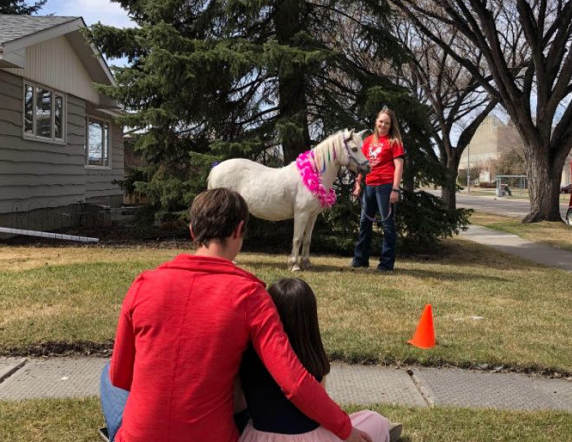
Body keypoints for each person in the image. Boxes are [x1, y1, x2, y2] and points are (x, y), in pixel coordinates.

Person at [99, 188, 373, 442]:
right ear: (240, 230)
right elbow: (293, 382)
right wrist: (346, 430)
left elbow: (122, 376)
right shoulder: (251, 295)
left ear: (193, 231)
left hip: (138, 436)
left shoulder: (143, 284)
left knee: (106, 373)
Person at [239, 278, 395, 442]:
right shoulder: (312, 359)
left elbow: (239, 404)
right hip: (314, 437)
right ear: (310, 318)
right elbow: (320, 412)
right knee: (374, 420)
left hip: (257, 436)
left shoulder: (249, 358)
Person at [351, 107, 405, 272]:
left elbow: (399, 166)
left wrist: (395, 190)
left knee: (388, 225)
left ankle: (386, 264)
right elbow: (362, 165)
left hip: (386, 186)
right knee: (364, 223)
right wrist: (358, 184)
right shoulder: (367, 141)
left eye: (387, 123)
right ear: (376, 122)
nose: (383, 125)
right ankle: (360, 260)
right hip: (370, 186)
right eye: (381, 121)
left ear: (391, 125)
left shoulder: (394, 142)